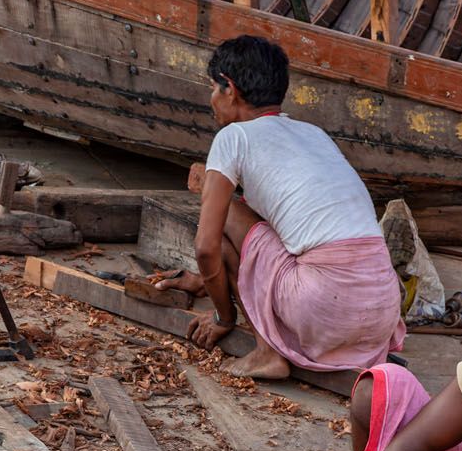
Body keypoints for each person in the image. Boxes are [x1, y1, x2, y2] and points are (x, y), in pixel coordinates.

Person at [151, 35, 404, 380]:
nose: (211, 99)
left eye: (213, 88)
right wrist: (206, 282)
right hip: (380, 313)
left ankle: (267, 352)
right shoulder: (313, 133)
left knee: (224, 223)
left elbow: (206, 247)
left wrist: (225, 318)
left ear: (230, 89)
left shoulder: (233, 137)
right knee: (248, 220)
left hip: (323, 310)